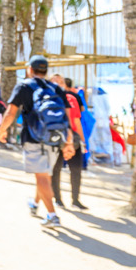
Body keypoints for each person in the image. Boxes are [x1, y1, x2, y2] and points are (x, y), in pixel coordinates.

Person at [0, 56, 72, 228]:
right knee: (44, 175)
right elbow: (67, 116)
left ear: (29, 69)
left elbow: (10, 113)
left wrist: (2, 130)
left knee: (41, 176)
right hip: (55, 138)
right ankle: (35, 203)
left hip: (33, 137)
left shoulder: (24, 86)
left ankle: (52, 215)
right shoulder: (56, 88)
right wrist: (68, 141)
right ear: (45, 71)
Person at [48, 75, 87, 210]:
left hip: (72, 136)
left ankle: (75, 199)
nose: (59, 83)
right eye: (55, 81)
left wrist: (82, 140)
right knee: (56, 169)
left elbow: (76, 120)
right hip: (54, 136)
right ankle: (57, 198)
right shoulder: (47, 98)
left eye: (61, 81)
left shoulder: (71, 98)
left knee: (76, 169)